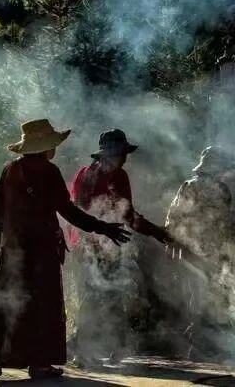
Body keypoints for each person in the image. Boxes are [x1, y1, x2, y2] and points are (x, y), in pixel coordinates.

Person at [0, 119, 131, 379]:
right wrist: (104, 227)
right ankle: (40, 364)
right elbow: (67, 210)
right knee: (43, 308)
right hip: (42, 251)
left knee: (7, 301)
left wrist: (5, 239)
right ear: (45, 147)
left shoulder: (10, 169)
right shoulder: (48, 171)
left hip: (13, 249)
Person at [68, 129, 171, 365]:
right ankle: (82, 348)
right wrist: (158, 232)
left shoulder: (89, 174)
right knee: (101, 295)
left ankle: (105, 347)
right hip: (99, 245)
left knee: (104, 294)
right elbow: (127, 216)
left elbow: (82, 212)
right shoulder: (112, 176)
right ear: (111, 155)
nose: (124, 158)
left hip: (92, 244)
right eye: (121, 153)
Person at [163, 146, 235, 358]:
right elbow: (226, 221)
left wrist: (172, 243)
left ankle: (192, 344)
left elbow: (172, 217)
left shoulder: (188, 185)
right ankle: (199, 346)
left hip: (187, 250)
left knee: (193, 298)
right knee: (206, 299)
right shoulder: (219, 189)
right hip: (207, 252)